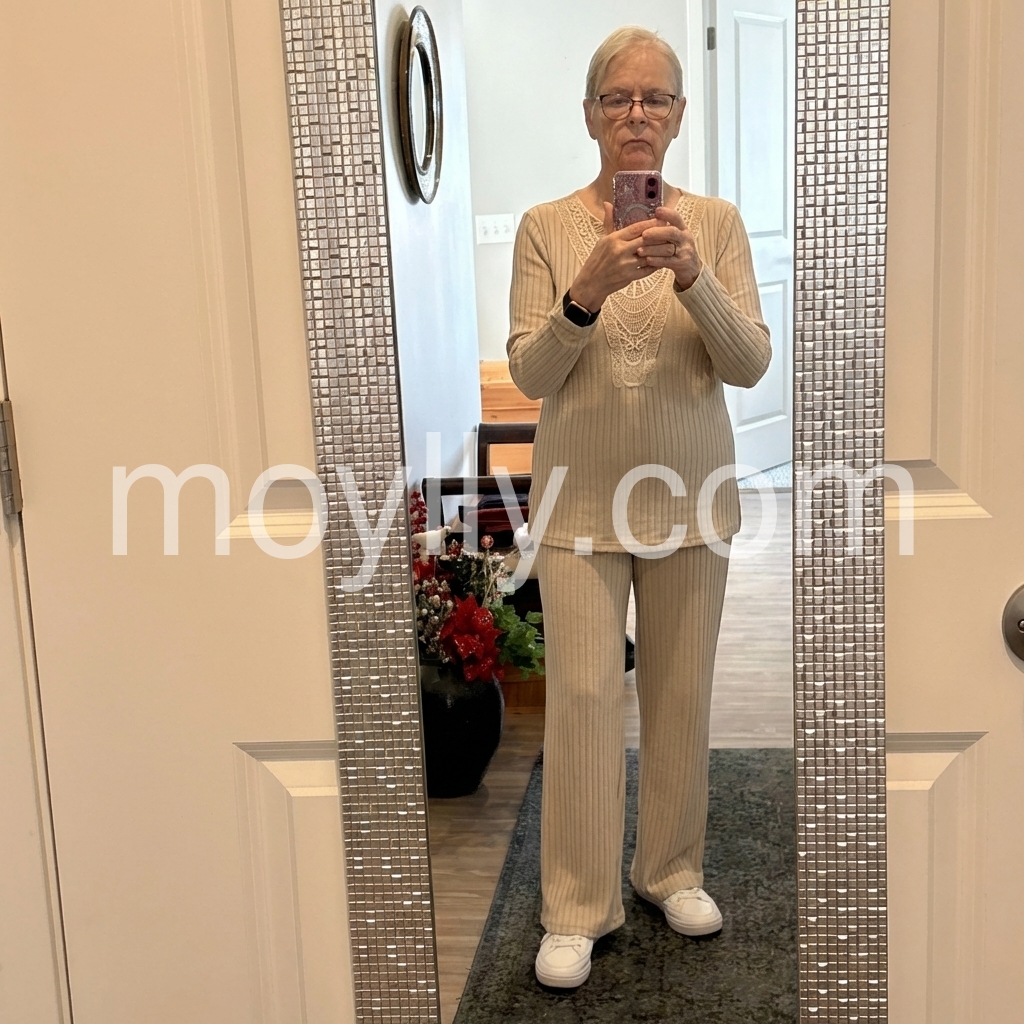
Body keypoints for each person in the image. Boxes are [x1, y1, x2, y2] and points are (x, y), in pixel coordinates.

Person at [506, 26, 771, 988]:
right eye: (617, 98)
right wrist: (583, 294)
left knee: (680, 694)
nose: (635, 114)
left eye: (654, 98)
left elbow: (750, 363)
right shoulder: (545, 227)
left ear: (679, 116)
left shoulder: (718, 225)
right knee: (581, 703)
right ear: (589, 115)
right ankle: (576, 906)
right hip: (578, 505)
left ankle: (671, 870)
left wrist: (693, 279)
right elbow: (531, 374)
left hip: (692, 500)